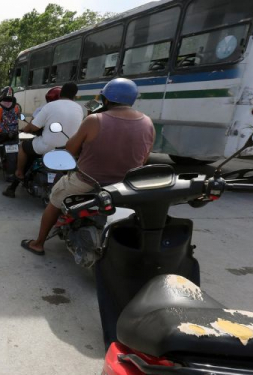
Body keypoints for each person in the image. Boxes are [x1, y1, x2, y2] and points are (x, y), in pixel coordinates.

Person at [21, 78, 154, 256]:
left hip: (87, 181)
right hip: (125, 184)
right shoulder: (147, 122)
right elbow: (144, 158)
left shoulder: (94, 119)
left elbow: (71, 149)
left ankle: (38, 244)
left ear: (105, 99)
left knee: (55, 201)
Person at [3, 83, 84, 198]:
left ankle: (19, 174)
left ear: (61, 93)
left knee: (24, 146)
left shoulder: (49, 106)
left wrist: (25, 129)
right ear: (75, 95)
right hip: (69, 148)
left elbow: (34, 126)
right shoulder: (79, 108)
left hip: (47, 146)